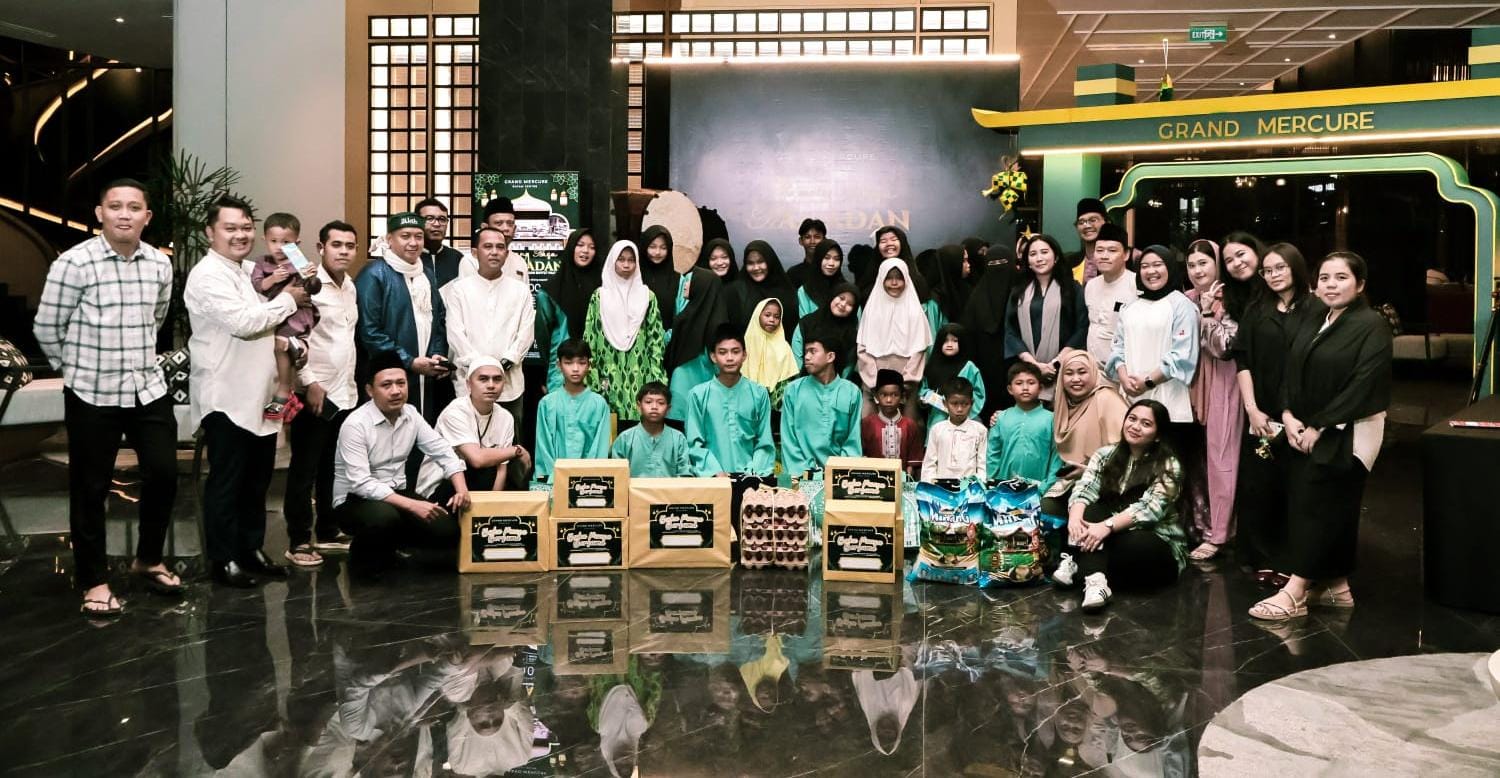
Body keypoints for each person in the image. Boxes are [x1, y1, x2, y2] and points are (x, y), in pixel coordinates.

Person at [34, 178, 182, 615]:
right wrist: (74, 368)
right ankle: (93, 580)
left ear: (146, 217)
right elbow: (47, 326)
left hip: (146, 388)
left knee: (164, 473)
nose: (124, 214)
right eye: (115, 206)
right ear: (100, 213)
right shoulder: (74, 262)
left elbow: (157, 318)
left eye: (134, 207)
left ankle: (148, 559)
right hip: (92, 392)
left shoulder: (159, 264)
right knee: (90, 487)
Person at [1249, 252, 1391, 621]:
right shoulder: (1316, 319)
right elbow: (1291, 370)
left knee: (1322, 508)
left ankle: (1295, 591)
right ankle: (1336, 588)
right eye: (1324, 277)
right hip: (1304, 427)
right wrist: (1288, 414)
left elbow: (1364, 383)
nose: (1331, 284)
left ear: (1360, 284)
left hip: (1349, 431)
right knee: (1313, 504)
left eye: (1341, 277)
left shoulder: (1372, 324)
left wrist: (1321, 425)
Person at [186, 195, 307, 587]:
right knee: (228, 481)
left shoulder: (250, 271)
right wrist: (288, 300)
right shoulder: (207, 275)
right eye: (230, 228)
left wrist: (295, 344)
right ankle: (223, 560)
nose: (240, 235)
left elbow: (275, 325)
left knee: (258, 480)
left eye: (245, 228)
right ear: (210, 232)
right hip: (227, 397)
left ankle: (250, 550)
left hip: (264, 397)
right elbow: (244, 322)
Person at [1226, 234, 1320, 586]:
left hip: (1303, 412)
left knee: (1296, 489)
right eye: (1267, 270)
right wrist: (1251, 409)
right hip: (1262, 412)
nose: (1274, 275)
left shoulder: (1317, 309)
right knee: (1260, 487)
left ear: (1296, 267)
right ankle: (1261, 557)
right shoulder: (1257, 309)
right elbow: (1243, 361)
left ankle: (1292, 560)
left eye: (1280, 268)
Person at [332, 351, 470, 575]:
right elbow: (361, 483)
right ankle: (361, 557)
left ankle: (392, 545)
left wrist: (462, 489)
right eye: (386, 385)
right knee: (385, 518)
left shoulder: (411, 414)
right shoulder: (355, 424)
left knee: (447, 531)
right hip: (354, 500)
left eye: (401, 383)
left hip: (396, 493)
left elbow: (443, 451)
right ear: (370, 390)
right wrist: (413, 505)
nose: (396, 391)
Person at [1053, 400, 1187, 611]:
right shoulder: (1105, 454)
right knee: (1090, 511)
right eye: (1132, 419)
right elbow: (1085, 488)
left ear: (1158, 435)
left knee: (1135, 543)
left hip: (1155, 542)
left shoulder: (1169, 465)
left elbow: (1149, 510)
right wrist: (1075, 518)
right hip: (1112, 537)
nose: (1135, 426)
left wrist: (1106, 527)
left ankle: (1079, 561)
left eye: (1145, 424)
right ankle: (1096, 582)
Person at [282, 220, 361, 568]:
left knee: (332, 466)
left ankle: (328, 530)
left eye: (350, 245)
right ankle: (298, 539)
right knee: (305, 469)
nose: (343, 251)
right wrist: (310, 382)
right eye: (336, 245)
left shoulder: (350, 286)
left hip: (344, 391)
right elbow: (295, 339)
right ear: (321, 248)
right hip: (315, 391)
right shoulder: (308, 286)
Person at [356, 211, 452, 423]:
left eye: (418, 236)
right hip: (390, 373)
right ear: (390, 239)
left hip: (425, 371)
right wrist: (409, 361)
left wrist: (437, 354)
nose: (413, 243)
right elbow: (369, 331)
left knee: (420, 426)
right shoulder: (374, 274)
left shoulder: (425, 274)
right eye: (405, 236)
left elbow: (439, 319)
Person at [443, 225, 535, 444]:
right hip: (470, 382)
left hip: (510, 382)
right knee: (469, 446)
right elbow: (455, 332)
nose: (494, 252)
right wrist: (480, 367)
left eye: (500, 247)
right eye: (488, 247)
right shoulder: (459, 289)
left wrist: (507, 360)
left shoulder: (520, 290)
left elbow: (526, 331)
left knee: (510, 446)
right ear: (475, 253)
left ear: (507, 253)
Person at [1183, 239, 1242, 562]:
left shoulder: (1230, 298)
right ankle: (1198, 526)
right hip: (1191, 385)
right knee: (1195, 460)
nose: (1197, 270)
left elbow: (1224, 347)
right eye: (1191, 265)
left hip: (1223, 383)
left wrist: (1207, 313)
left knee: (1222, 458)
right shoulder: (1186, 298)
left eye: (1203, 263)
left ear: (1217, 265)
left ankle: (1220, 534)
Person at [1105, 245, 1199, 423]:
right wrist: (1124, 379)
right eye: (1144, 266)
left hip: (1169, 402)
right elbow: (1117, 347)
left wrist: (1148, 382)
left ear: (1170, 267)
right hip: (1129, 400)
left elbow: (1183, 355)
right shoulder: (1130, 306)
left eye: (1157, 265)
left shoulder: (1181, 305)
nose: (1151, 271)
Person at [418, 358, 530, 498]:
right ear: (469, 384)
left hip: (479, 483)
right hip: (440, 486)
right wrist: (516, 450)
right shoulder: (455, 411)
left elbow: (501, 468)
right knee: (483, 466)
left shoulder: (505, 417)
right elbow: (477, 459)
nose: (491, 385)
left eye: (497, 379)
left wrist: (493, 503)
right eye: (483, 379)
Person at [583, 240, 668, 420]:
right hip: (607, 372)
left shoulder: (647, 296)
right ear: (612, 261)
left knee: (640, 422)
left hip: (641, 373)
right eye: (621, 259)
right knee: (610, 424)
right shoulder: (599, 297)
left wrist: (657, 377)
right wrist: (592, 376)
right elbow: (590, 337)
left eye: (631, 260)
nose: (626, 265)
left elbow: (656, 339)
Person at [250, 212, 322, 421]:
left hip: (297, 314)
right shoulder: (261, 263)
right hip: (276, 314)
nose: (279, 247)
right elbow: (258, 286)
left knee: (280, 345)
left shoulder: (298, 261)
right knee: (277, 348)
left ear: (296, 244)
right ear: (265, 239)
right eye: (274, 241)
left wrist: (312, 276)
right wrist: (273, 278)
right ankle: (296, 352)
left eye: (286, 242)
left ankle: (283, 391)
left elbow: (314, 289)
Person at [1045, 348, 1129, 519]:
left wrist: (1088, 470)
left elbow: (1126, 454)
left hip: (1111, 483)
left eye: (1082, 372)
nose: (1076, 379)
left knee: (1086, 514)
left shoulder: (1106, 399)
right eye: (1069, 373)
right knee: (1046, 509)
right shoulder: (1064, 405)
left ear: (1093, 373)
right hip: (1074, 481)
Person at [1005, 234, 1089, 403]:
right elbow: (1011, 331)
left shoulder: (1073, 289)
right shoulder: (1018, 292)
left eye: (1044, 252)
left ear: (1056, 257)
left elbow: (1082, 328)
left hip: (1064, 368)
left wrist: (1056, 363)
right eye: (1033, 254)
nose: (1039, 258)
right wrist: (1034, 365)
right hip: (1027, 371)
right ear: (1027, 261)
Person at [684, 325, 775, 478]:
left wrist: (751, 474)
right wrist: (715, 473)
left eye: (735, 351)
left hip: (751, 479)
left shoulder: (759, 394)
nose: (730, 358)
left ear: (744, 355)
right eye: (722, 352)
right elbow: (694, 444)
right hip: (711, 479)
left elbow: (764, 442)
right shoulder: (698, 395)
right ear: (713, 357)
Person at [663, 230, 731, 421]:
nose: (685, 285)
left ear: (700, 286)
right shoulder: (698, 314)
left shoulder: (694, 318)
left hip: (689, 386)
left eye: (690, 282)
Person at [779, 334, 863, 479]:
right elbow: (789, 442)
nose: (806, 357)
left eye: (813, 351)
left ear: (830, 357)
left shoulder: (851, 393)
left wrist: (838, 474)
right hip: (800, 476)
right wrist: (809, 475)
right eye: (806, 352)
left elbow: (853, 442)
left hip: (840, 478)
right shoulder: (793, 391)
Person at [856, 258, 932, 417]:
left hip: (907, 384)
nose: (894, 283)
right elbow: (862, 348)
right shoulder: (871, 311)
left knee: (907, 426)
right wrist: (875, 382)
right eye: (889, 278)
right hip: (874, 382)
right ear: (881, 279)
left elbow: (920, 349)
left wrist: (907, 380)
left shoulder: (915, 311)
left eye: (899, 278)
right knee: (869, 424)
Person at [532, 339, 612, 484]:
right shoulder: (547, 403)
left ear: (589, 365)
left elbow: (600, 447)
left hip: (590, 481)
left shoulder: (599, 404)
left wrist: (587, 478)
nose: (575, 369)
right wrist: (555, 478)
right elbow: (543, 446)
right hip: (554, 479)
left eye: (581, 363)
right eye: (568, 363)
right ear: (559, 365)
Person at [536, 228, 602, 392]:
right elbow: (543, 335)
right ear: (571, 247)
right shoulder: (550, 291)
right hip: (561, 367)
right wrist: (548, 366)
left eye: (592, 247)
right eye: (580, 245)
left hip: (597, 365)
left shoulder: (603, 288)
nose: (585, 251)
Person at [961, 242, 1019, 418]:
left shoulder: (1023, 295)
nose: (998, 269)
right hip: (985, 370)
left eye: (1003, 264)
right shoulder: (976, 299)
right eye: (992, 264)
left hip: (1019, 367)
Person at [987, 363, 1063, 491]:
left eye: (1031, 383)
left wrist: (1046, 487)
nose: (1025, 388)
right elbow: (993, 454)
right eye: (1019, 383)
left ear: (1040, 388)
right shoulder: (1001, 418)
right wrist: (992, 483)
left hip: (1038, 489)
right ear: (1010, 389)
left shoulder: (1052, 419)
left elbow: (1056, 457)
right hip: (1003, 490)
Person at [1083, 223, 1138, 372]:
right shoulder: (1091, 285)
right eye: (1099, 250)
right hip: (1094, 372)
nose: (1104, 256)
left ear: (1126, 254)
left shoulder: (1136, 285)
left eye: (1112, 250)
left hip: (1126, 372)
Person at [610, 382, 692, 477]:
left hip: (670, 487)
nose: (654, 407)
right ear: (639, 406)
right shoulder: (625, 439)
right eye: (648, 402)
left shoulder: (678, 439)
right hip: (633, 487)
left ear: (668, 409)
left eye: (661, 403)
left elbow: (685, 475)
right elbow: (616, 475)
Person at [919, 323, 986, 436]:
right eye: (945, 341)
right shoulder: (932, 367)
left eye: (955, 341)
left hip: (965, 417)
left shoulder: (969, 367)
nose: (949, 344)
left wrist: (961, 405)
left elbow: (979, 394)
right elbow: (923, 389)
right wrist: (928, 397)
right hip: (938, 417)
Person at [920, 377, 987, 482]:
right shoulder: (937, 430)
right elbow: (929, 464)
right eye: (954, 403)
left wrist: (979, 485)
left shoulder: (980, 430)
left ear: (972, 403)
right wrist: (931, 485)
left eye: (965, 404)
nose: (959, 409)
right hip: (941, 488)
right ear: (945, 403)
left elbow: (982, 465)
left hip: (970, 488)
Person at [726, 240, 798, 337]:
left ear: (770, 262)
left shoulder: (786, 291)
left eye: (760, 262)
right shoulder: (735, 291)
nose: (756, 268)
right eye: (750, 263)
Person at [791, 281, 859, 380]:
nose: (843, 304)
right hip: (804, 382)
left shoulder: (851, 335)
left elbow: (848, 366)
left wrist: (836, 385)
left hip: (835, 386)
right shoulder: (807, 323)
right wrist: (803, 381)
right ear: (833, 296)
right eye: (841, 298)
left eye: (850, 304)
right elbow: (797, 356)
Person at [861, 369, 922, 476]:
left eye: (894, 395)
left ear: (902, 397)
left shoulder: (910, 425)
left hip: (901, 480)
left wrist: (907, 476)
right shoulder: (867, 423)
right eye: (884, 395)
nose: (889, 400)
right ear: (876, 396)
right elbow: (862, 455)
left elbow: (913, 461)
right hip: (874, 479)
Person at [742, 298, 799, 408]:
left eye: (776, 317)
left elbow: (786, 381)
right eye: (767, 315)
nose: (772, 320)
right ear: (758, 315)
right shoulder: (746, 344)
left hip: (776, 404)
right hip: (748, 401)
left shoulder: (784, 346)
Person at [639, 225, 681, 337]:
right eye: (652, 247)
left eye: (663, 248)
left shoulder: (678, 280)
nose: (657, 252)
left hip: (669, 341)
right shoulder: (635, 277)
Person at [416, 197, 465, 289]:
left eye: (442, 219)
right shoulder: (410, 256)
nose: (437, 224)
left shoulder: (457, 258)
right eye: (429, 218)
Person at [795, 238, 845, 320]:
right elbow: (804, 323)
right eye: (826, 258)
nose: (831, 263)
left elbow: (856, 321)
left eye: (836, 259)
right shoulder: (804, 291)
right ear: (818, 259)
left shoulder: (847, 290)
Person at [1069, 198, 1109, 283]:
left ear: (1106, 223)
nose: (1087, 226)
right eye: (1081, 222)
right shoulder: (1069, 262)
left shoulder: (1125, 258)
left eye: (1093, 220)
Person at [786, 217, 828, 289]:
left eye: (817, 237)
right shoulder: (793, 273)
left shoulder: (831, 269)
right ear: (801, 241)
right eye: (807, 237)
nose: (812, 241)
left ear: (824, 240)